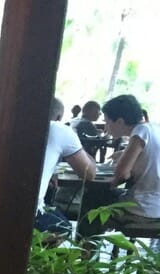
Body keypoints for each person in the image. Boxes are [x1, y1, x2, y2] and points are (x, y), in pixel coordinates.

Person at [83, 93, 160, 234]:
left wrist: (111, 184)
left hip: (142, 209)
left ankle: (85, 252)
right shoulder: (154, 128)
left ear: (119, 121)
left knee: (90, 208)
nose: (106, 127)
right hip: (156, 205)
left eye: (107, 122)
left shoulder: (140, 132)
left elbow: (122, 174)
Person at [36, 98, 95, 234]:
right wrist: (87, 155)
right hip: (30, 214)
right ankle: (36, 254)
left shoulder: (15, 125)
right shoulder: (59, 129)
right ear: (59, 117)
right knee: (64, 228)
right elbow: (89, 173)